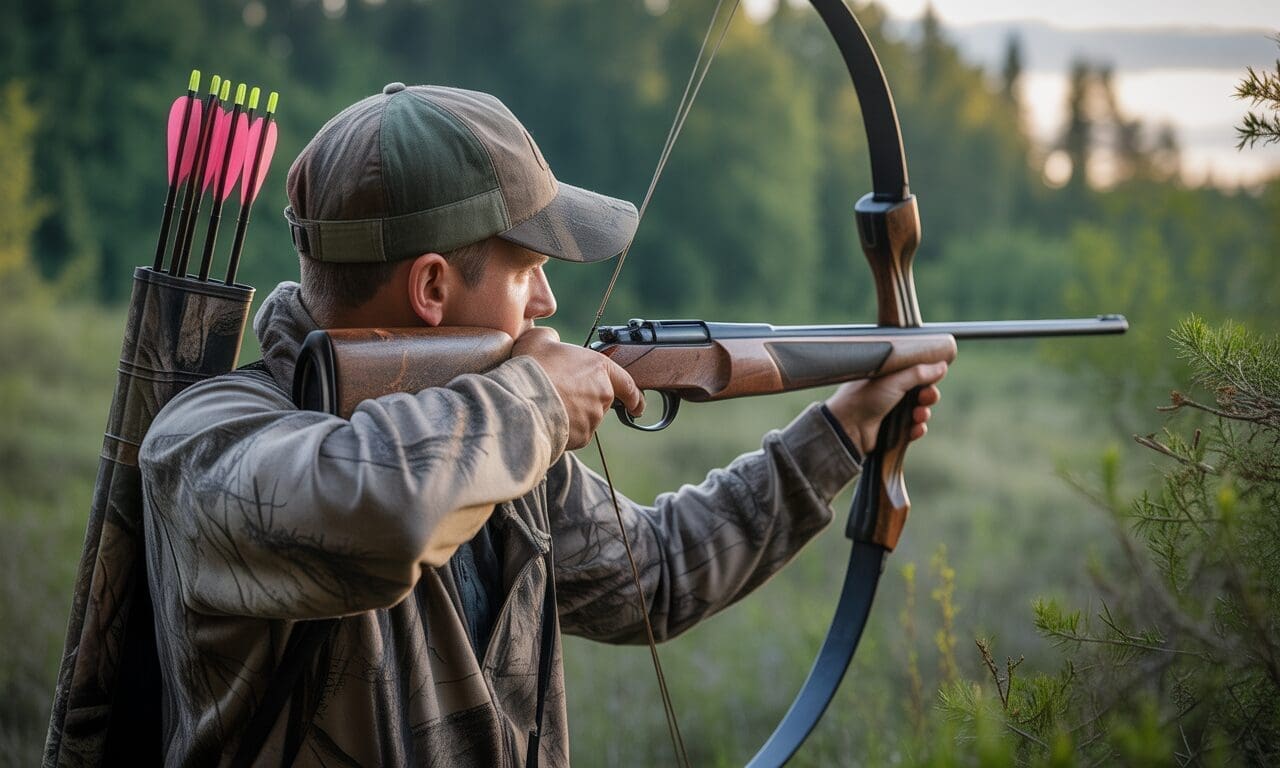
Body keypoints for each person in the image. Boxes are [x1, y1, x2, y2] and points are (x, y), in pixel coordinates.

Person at [139, 82, 950, 767]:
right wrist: (537, 400)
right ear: (432, 288)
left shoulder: (498, 440)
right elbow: (382, 509)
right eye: (528, 269)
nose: (549, 302)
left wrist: (843, 429)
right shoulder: (206, 440)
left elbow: (658, 572)